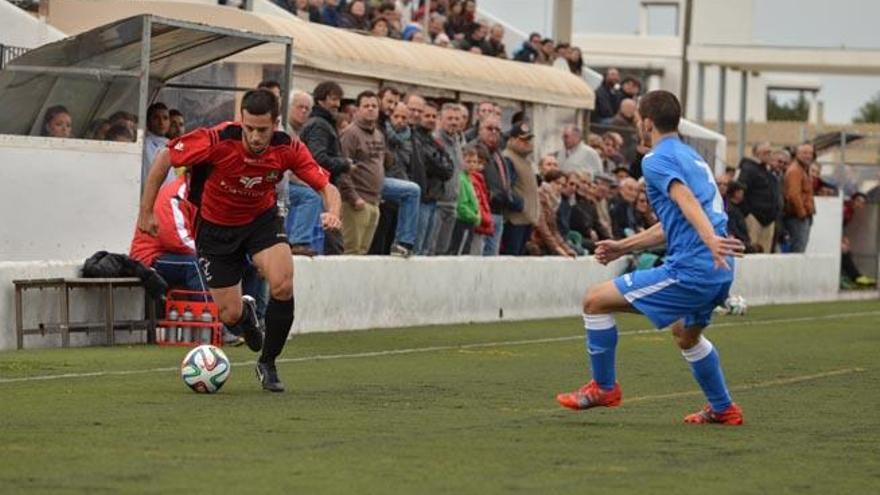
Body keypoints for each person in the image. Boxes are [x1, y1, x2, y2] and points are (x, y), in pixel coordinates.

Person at [556, 90, 746, 425]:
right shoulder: (692, 157)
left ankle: (604, 387)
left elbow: (684, 198)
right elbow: (673, 222)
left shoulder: (655, 159)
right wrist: (624, 247)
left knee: (594, 300)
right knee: (685, 335)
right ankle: (723, 408)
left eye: (636, 121)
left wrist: (709, 239)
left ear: (646, 123)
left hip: (694, 266)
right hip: (719, 268)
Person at [137, 89, 342, 393]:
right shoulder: (217, 139)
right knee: (229, 316)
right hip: (213, 229)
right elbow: (166, 156)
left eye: (263, 129)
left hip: (260, 222)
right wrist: (146, 212)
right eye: (249, 128)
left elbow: (327, 186)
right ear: (241, 121)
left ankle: (268, 362)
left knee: (283, 283)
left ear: (276, 123)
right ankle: (246, 315)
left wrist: (334, 212)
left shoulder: (288, 147)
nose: (256, 137)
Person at [338, 91, 386, 255]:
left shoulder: (379, 135)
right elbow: (341, 169)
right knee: (350, 251)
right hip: (356, 202)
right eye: (366, 106)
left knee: (363, 253)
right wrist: (353, 198)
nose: (371, 109)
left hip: (374, 202)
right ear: (357, 110)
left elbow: (378, 163)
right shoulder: (350, 134)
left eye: (374, 106)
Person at [783, 143, 816, 253]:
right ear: (797, 154)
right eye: (804, 153)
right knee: (798, 249)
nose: (808, 156)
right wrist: (802, 213)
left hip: (802, 215)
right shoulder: (795, 170)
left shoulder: (803, 169)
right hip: (797, 217)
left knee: (800, 247)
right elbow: (793, 194)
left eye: (810, 153)